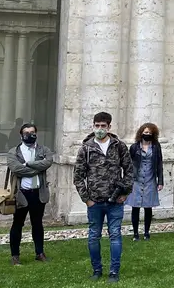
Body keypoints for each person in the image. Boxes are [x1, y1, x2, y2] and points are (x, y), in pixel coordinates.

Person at [73, 112, 134, 283]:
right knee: (94, 236)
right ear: (93, 126)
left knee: (115, 235)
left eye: (103, 126)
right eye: (97, 125)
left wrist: (124, 193)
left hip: (115, 201)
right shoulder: (86, 148)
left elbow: (129, 171)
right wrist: (87, 199)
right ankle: (97, 269)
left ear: (109, 127)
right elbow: (78, 176)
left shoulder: (119, 146)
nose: (100, 129)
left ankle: (114, 271)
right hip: (95, 202)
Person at [6, 122, 53, 266]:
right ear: (21, 135)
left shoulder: (43, 149)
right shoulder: (14, 152)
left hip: (38, 193)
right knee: (17, 224)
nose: (30, 135)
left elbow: (48, 162)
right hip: (21, 194)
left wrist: (28, 164)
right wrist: (36, 168)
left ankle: (39, 253)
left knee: (37, 224)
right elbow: (16, 168)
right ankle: (15, 256)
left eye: (32, 132)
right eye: (26, 133)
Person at [127, 123, 164, 241]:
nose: (147, 134)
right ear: (141, 133)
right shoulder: (134, 147)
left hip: (150, 178)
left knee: (148, 207)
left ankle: (147, 232)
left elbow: (159, 164)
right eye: (145, 132)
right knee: (135, 207)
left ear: (153, 134)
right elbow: (128, 164)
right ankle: (136, 233)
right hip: (137, 179)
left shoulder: (156, 147)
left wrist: (160, 181)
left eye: (149, 132)